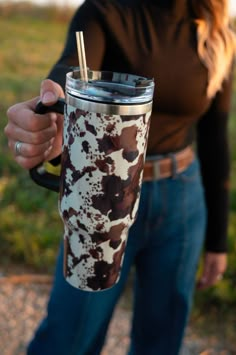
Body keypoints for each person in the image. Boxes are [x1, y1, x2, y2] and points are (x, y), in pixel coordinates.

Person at [4, 0, 236, 354]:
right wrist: (50, 110)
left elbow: (215, 137)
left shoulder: (217, 32)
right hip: (102, 200)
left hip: (182, 200)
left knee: (162, 339)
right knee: (69, 338)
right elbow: (72, 68)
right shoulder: (106, 10)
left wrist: (218, 240)